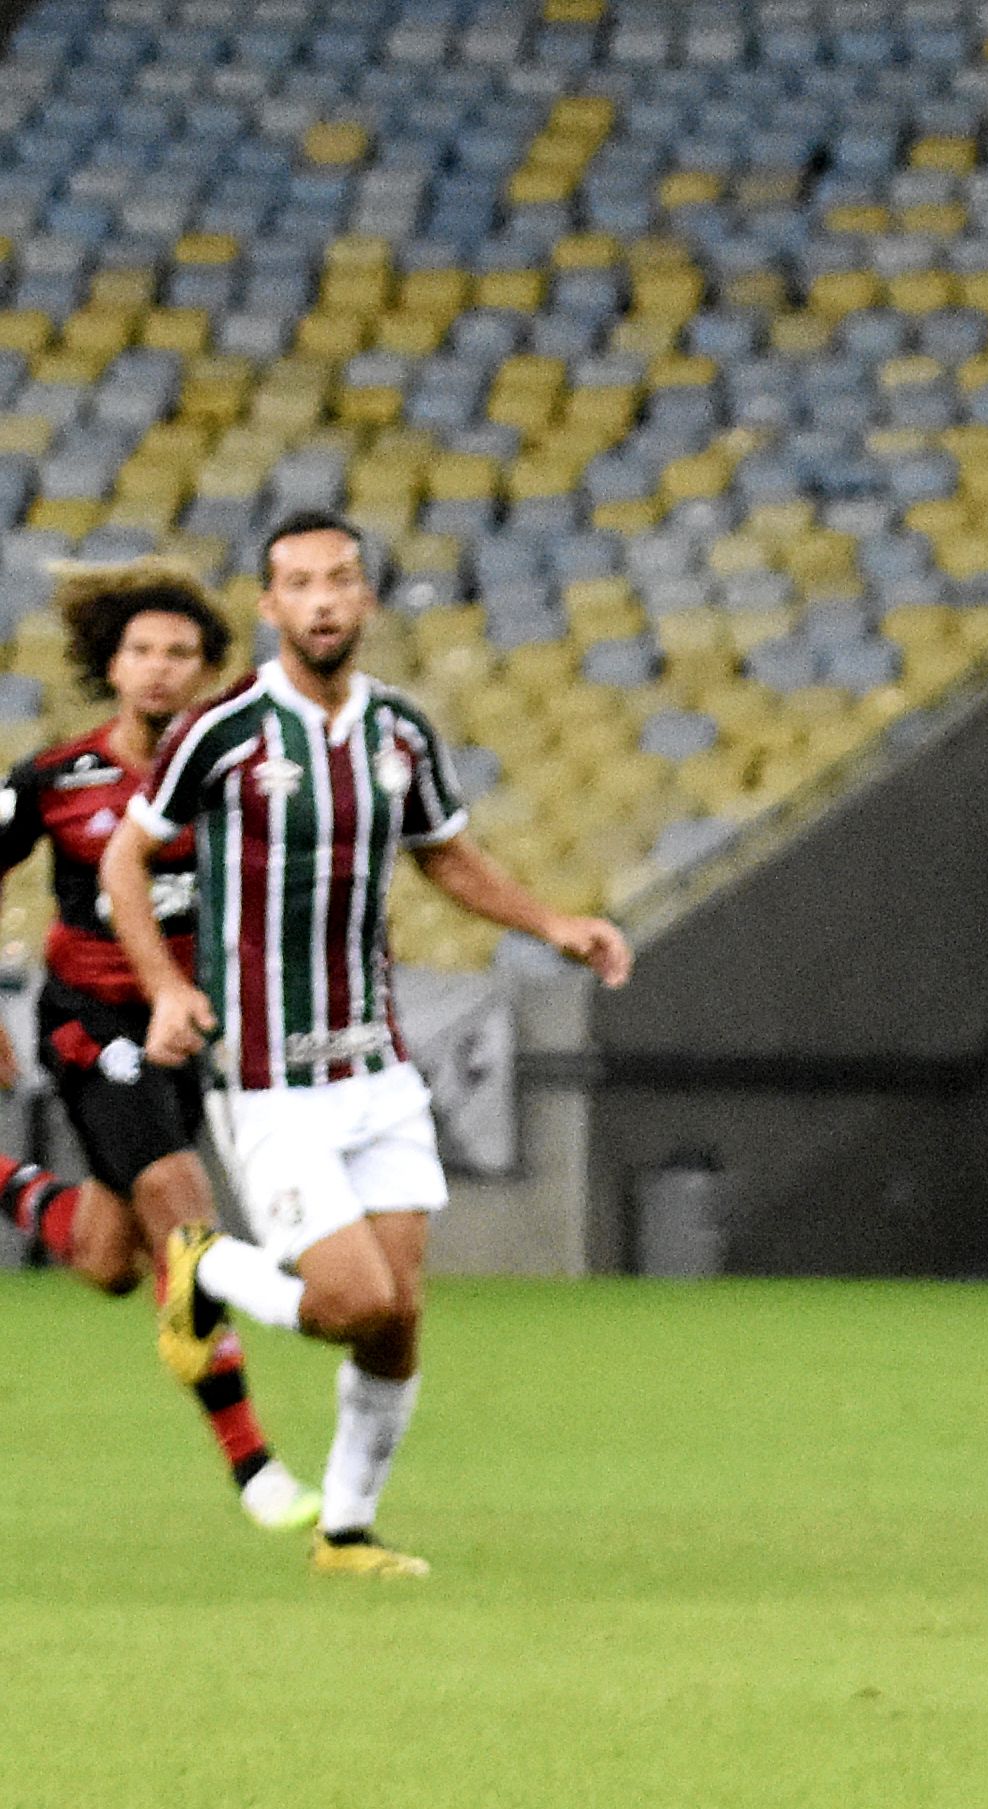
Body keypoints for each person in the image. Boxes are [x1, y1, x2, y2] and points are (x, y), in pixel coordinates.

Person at [100, 510, 634, 1578]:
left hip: (376, 1067)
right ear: (269, 606)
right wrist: (163, 986)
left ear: (367, 599)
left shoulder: (397, 732)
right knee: (353, 1303)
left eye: (340, 579)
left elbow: (447, 854)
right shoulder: (225, 730)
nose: (324, 600)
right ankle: (204, 1271)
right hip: (269, 1077)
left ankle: (345, 1531)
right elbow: (126, 857)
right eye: (299, 582)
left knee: (399, 1321)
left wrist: (550, 923)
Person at [0, 560, 313, 1528]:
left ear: (211, 669)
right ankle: (255, 1462)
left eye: (182, 652)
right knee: (183, 1209)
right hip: (89, 1025)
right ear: (113, 662)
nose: (161, 669)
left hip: (189, 1035)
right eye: (143, 650)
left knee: (109, 1259)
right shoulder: (54, 777)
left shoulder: (232, 778)